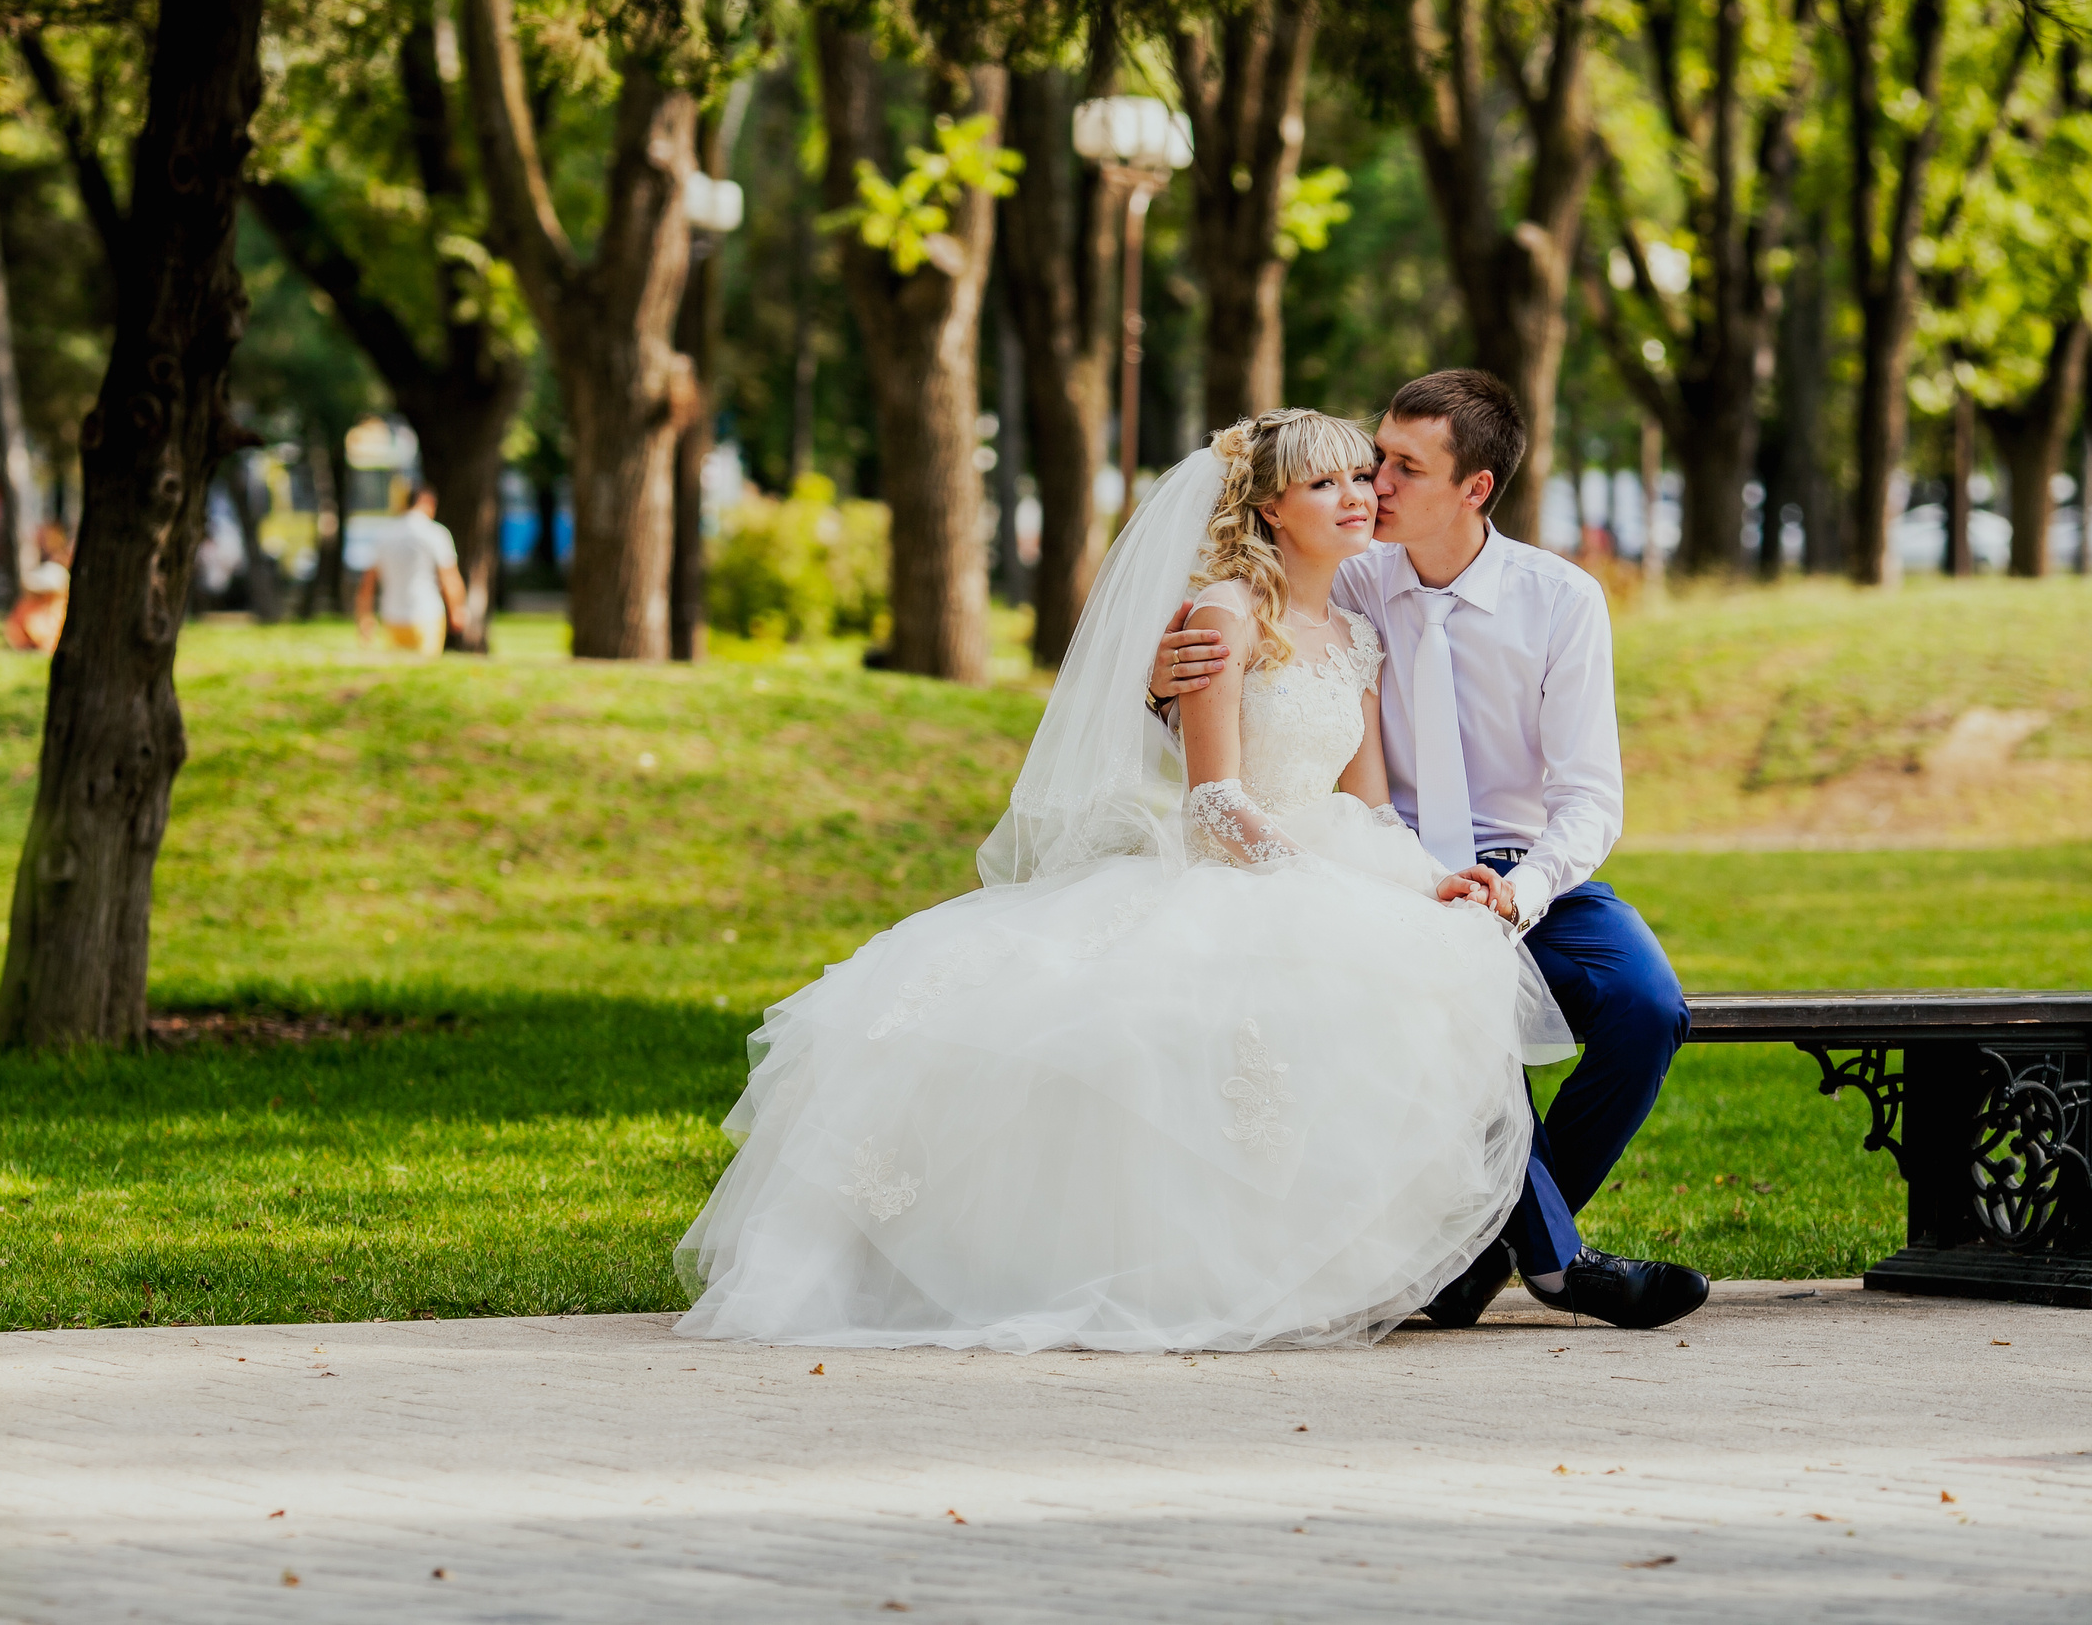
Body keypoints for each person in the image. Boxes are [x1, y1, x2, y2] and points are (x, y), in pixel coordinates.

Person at [674, 411, 1577, 1355]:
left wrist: (1426, 881)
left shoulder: (1354, 633)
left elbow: (1372, 804)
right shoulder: (1225, 615)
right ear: (1270, 505)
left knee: (1441, 958)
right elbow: (1214, 803)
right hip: (1235, 863)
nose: (1358, 498)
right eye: (1325, 484)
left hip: (1321, 855)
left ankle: (1422, 1259)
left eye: (1362, 478)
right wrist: (1321, 884)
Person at [1148, 371, 1706, 1333]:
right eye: (1371, 461)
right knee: (1432, 995)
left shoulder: (1559, 600)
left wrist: (1519, 891)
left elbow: (1587, 799)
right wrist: (1161, 684)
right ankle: (1559, 1262)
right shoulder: (1347, 572)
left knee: (1647, 1006)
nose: (1374, 485)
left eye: (1402, 468)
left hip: (1523, 869)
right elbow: (1235, 694)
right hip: (1380, 863)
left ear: (1475, 488)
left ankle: (1485, 1251)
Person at [356, 484, 466, 654]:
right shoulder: (435, 533)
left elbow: (368, 582)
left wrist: (365, 617)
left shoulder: (385, 534)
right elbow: (449, 577)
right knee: (426, 672)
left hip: (391, 615)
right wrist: (457, 609)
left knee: (399, 672)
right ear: (427, 502)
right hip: (427, 613)